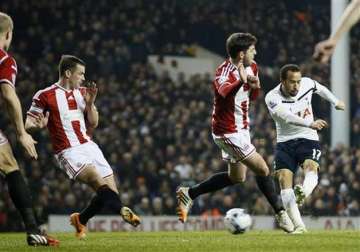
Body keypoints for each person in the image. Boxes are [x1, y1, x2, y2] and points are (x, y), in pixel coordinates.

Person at [176, 32, 294, 233]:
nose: (255, 52)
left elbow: (252, 95)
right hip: (227, 132)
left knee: (237, 178)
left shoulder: (253, 66)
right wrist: (241, 80)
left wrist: (255, 86)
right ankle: (281, 214)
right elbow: (223, 93)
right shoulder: (223, 73)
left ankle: (189, 193)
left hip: (242, 128)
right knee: (263, 170)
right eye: (251, 50)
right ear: (241, 54)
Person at [25, 55, 141, 239]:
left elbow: (94, 123)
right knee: (99, 182)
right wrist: (36, 126)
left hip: (89, 145)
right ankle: (123, 211)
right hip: (68, 151)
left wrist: (90, 104)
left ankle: (81, 219)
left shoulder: (84, 92)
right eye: (80, 74)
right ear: (68, 73)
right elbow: (28, 124)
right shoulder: (45, 95)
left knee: (110, 192)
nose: (83, 78)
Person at [0, 12, 59, 246]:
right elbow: (8, 95)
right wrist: (22, 134)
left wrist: (26, 126)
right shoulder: (4, 60)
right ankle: (33, 230)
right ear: (8, 34)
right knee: (11, 169)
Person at [265, 64, 345, 233]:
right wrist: (311, 123)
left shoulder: (307, 84)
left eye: (298, 81)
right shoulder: (272, 97)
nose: (297, 86)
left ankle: (303, 192)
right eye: (292, 82)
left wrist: (335, 101)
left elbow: (320, 88)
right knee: (283, 181)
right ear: (283, 81)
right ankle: (299, 226)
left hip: (308, 137)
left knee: (311, 167)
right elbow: (287, 117)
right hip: (285, 142)